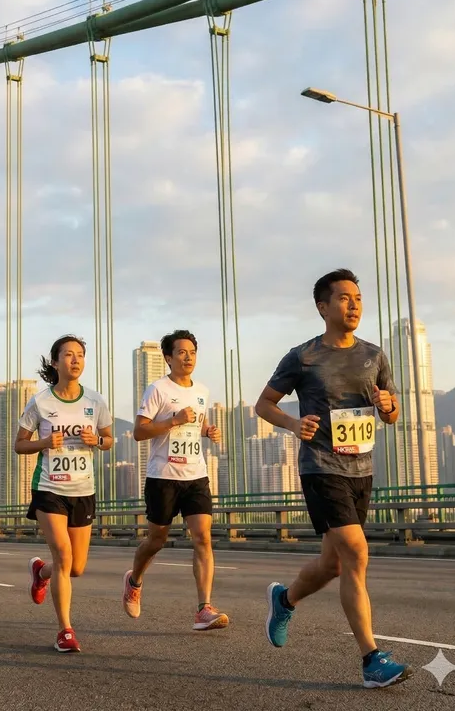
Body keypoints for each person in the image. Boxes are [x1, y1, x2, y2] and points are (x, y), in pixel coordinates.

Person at [255, 268, 413, 689]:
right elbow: (264, 404)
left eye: (358, 297)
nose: (354, 304)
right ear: (323, 307)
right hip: (321, 467)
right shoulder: (302, 356)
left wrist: (388, 404)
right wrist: (293, 424)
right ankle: (371, 660)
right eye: (344, 298)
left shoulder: (374, 355)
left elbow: (392, 415)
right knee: (356, 556)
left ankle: (284, 600)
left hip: (362, 468)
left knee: (332, 563)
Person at [121, 329, 227, 631]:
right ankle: (134, 579)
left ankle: (203, 608)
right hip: (162, 477)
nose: (188, 357)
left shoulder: (202, 391)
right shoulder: (157, 389)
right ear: (168, 358)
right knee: (157, 540)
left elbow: (198, 421)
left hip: (196, 474)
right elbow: (140, 432)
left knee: (203, 537)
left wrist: (207, 430)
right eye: (181, 352)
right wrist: (173, 420)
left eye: (192, 352)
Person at [19, 335, 113, 653]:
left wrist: (96, 441)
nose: (75, 360)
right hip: (49, 487)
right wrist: (44, 443)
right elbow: (20, 444)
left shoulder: (95, 402)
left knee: (75, 567)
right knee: (63, 555)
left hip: (83, 489)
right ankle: (65, 630)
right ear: (55, 362)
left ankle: (40, 572)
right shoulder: (41, 402)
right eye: (68, 355)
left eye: (80, 355)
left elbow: (109, 439)